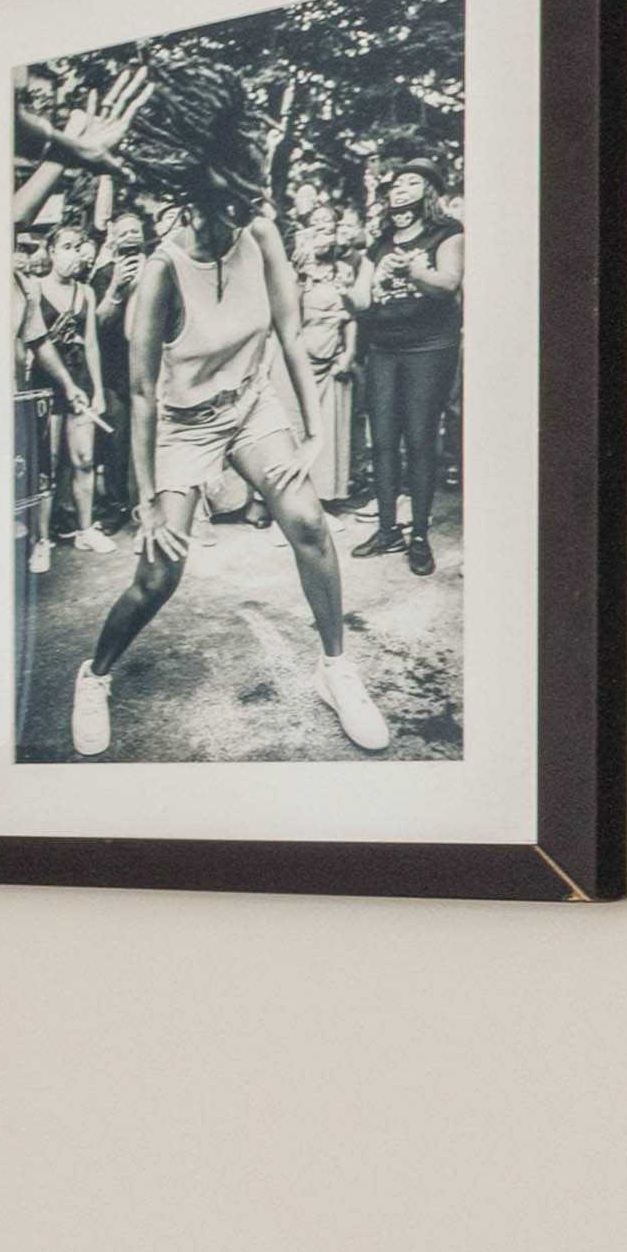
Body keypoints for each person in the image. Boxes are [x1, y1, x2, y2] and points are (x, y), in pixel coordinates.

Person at [67, 70, 384, 754]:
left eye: (254, 198)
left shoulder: (261, 235)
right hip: (183, 425)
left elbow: (290, 333)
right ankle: (94, 675)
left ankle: (335, 669)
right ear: (202, 196)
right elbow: (143, 394)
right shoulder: (162, 271)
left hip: (249, 404)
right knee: (160, 571)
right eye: (239, 199)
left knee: (307, 520)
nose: (253, 209)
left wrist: (311, 432)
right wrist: (147, 502)